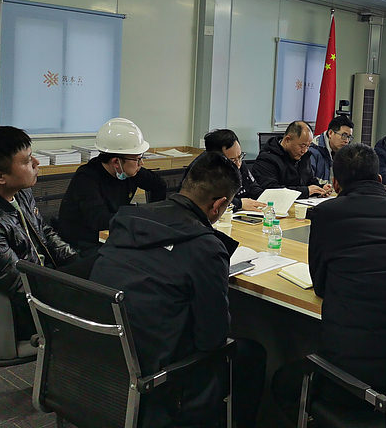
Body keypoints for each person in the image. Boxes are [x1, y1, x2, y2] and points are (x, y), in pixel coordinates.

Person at [90, 151, 266, 428]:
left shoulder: (128, 219)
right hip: (160, 381)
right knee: (251, 354)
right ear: (219, 205)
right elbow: (212, 339)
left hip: (101, 357)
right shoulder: (205, 248)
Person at [272, 143, 386, 419]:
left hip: (347, 378)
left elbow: (320, 286)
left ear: (336, 183)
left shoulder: (327, 213)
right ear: (379, 179)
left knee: (282, 381)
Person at [0, 126, 79, 340]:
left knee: (106, 264)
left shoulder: (18, 191)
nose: (36, 163)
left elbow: (43, 231)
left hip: (43, 278)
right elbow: (20, 286)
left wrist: (75, 260)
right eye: (27, 160)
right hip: (14, 311)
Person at [57, 118, 166, 256]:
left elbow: (159, 185)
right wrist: (138, 215)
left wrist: (154, 215)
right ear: (116, 162)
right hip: (82, 242)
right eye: (137, 159)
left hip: (113, 234)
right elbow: (99, 220)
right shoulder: (86, 178)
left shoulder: (131, 170)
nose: (141, 163)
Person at [183, 129, 265, 212]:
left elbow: (253, 188)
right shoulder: (201, 171)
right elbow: (206, 201)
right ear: (216, 158)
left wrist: (266, 198)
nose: (238, 164)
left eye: (240, 157)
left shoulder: (238, 163)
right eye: (232, 160)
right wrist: (239, 203)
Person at [252, 121, 330, 198]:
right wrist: (305, 191)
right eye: (302, 146)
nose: (304, 151)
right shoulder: (267, 159)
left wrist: (321, 189)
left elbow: (310, 182)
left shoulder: (304, 156)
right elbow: (271, 190)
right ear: (287, 140)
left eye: (308, 146)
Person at [309, 115, 354, 183]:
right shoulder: (312, 152)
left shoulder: (345, 154)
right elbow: (309, 183)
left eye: (349, 137)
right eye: (344, 135)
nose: (347, 141)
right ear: (330, 133)